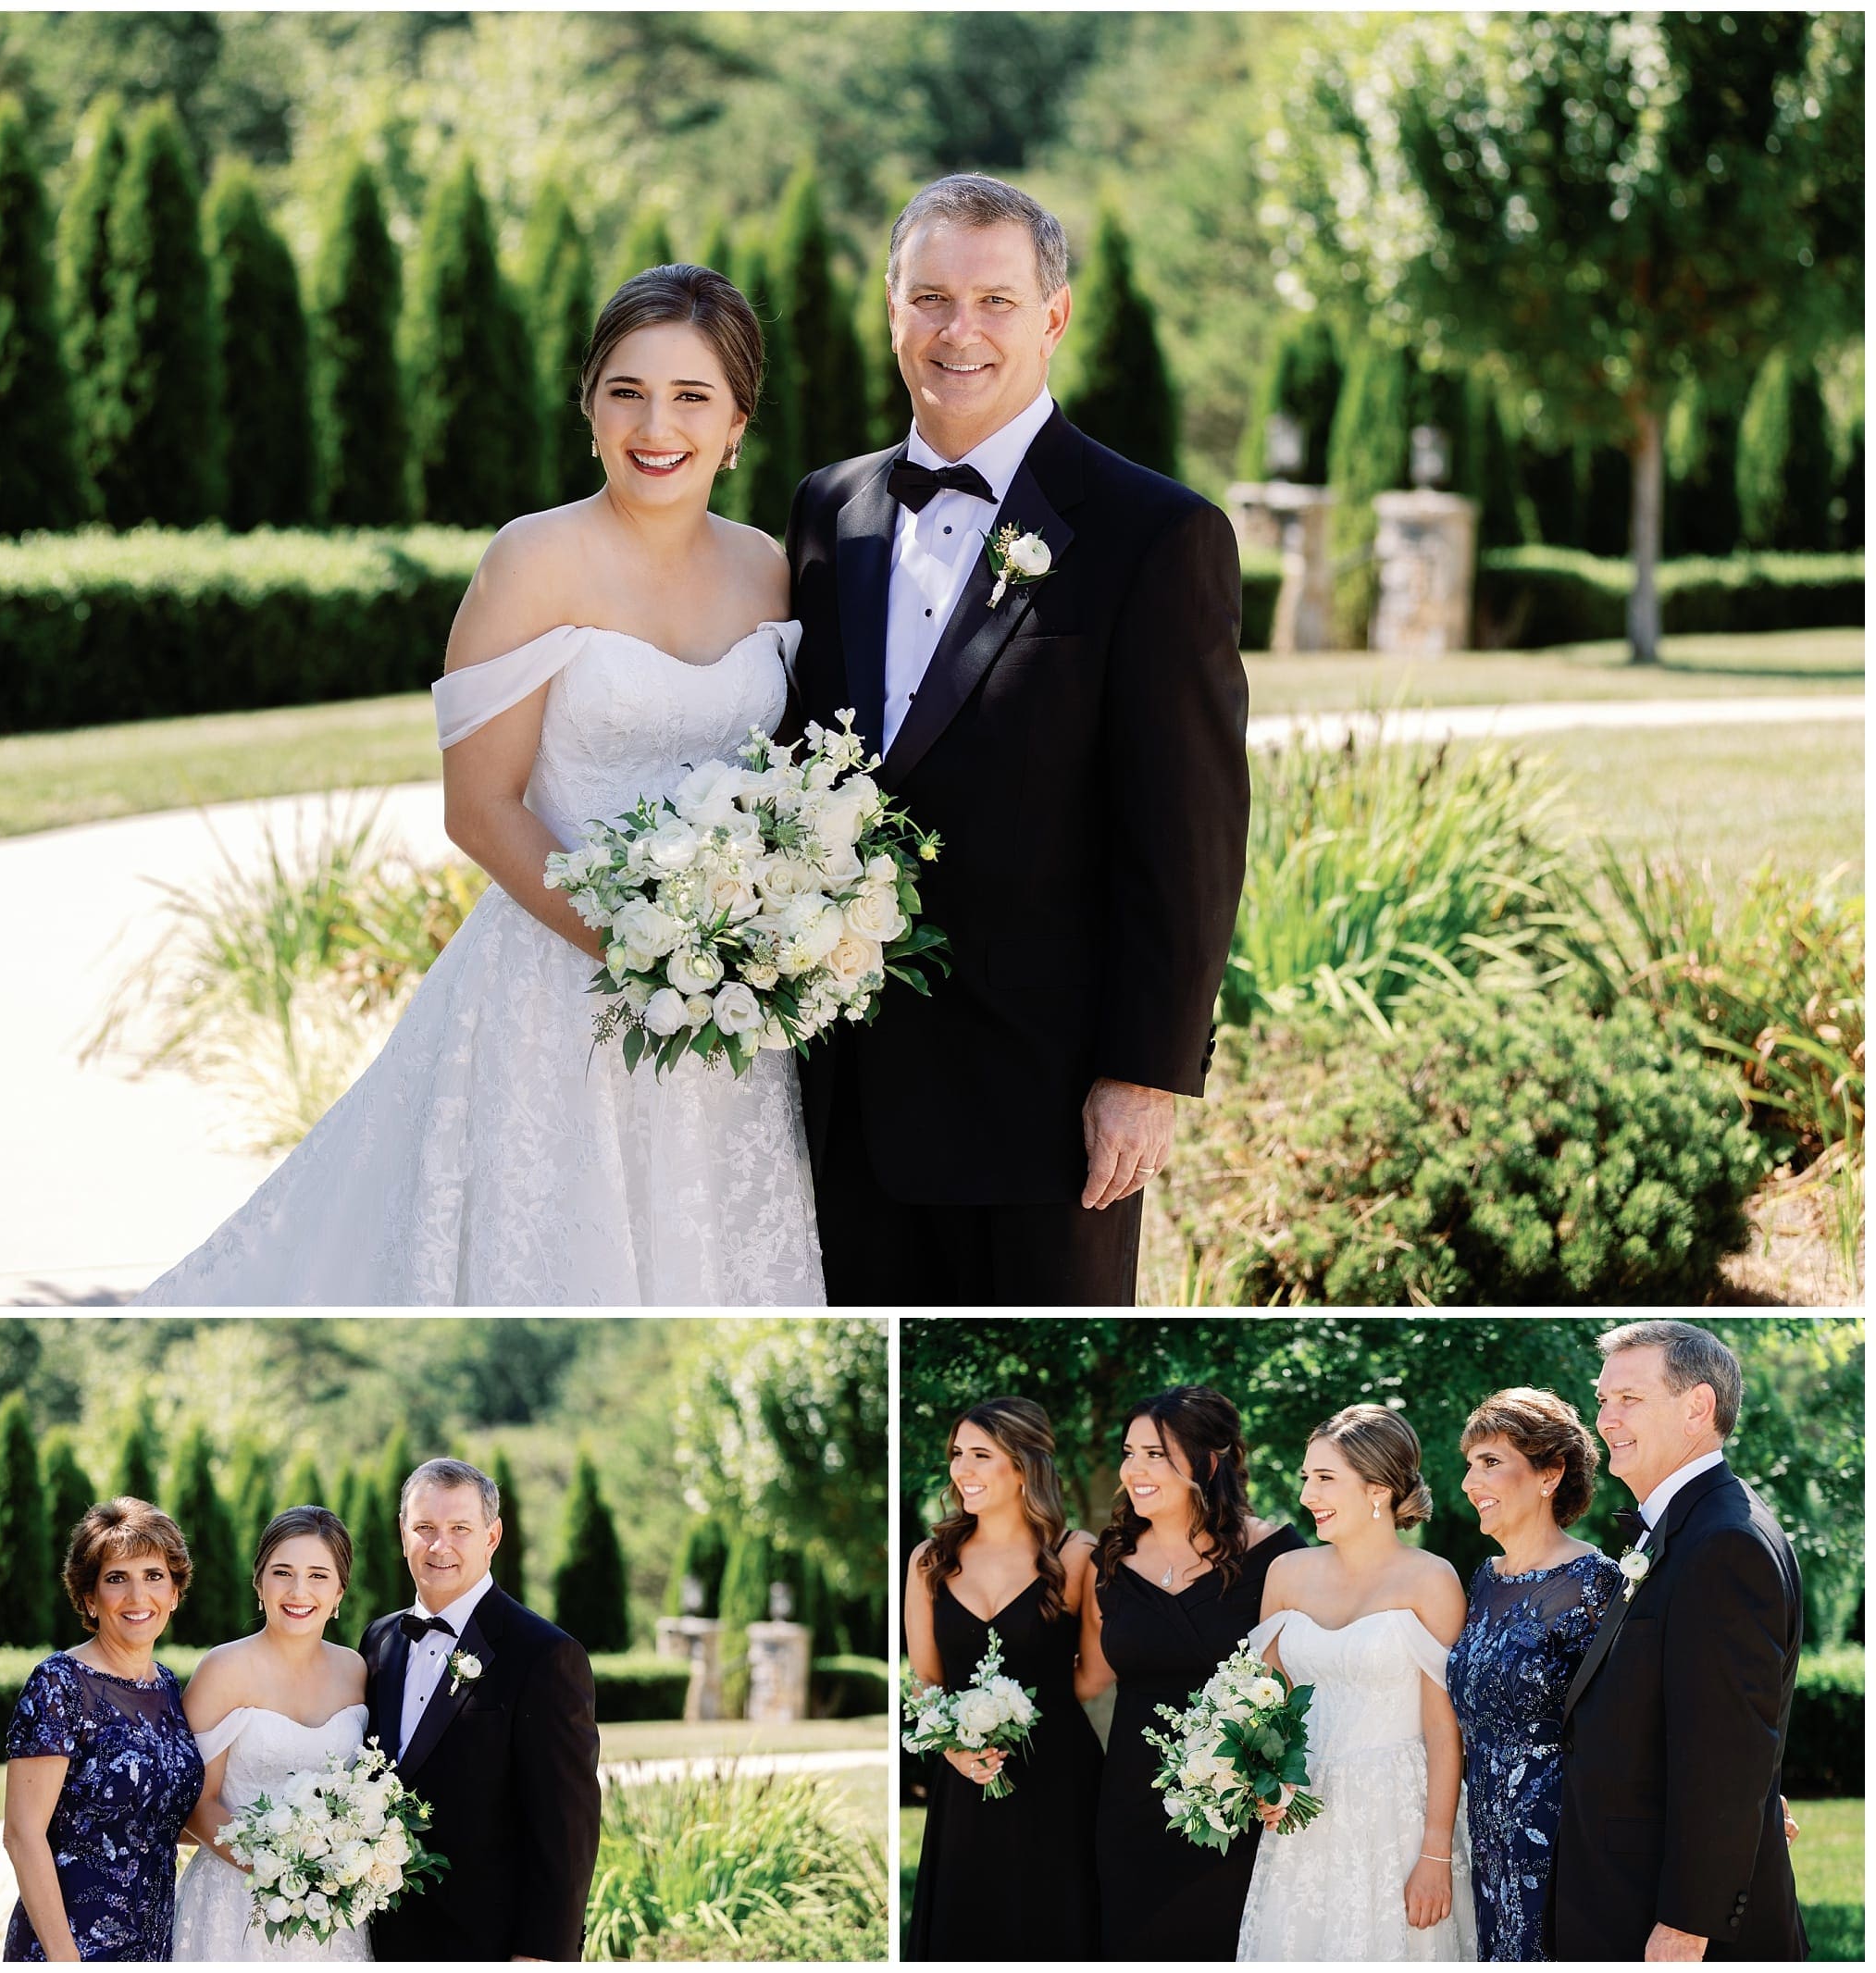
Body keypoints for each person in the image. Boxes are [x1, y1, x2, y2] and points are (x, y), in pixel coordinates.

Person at [139, 264, 823, 1306]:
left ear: (738, 421)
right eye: (627, 391)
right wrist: (649, 958)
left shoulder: (769, 568)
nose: (656, 425)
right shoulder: (532, 560)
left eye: (692, 396)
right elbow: (480, 806)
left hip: (730, 1020)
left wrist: (742, 958)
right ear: (589, 404)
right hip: (558, 988)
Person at [788, 173, 1250, 1304]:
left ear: (1054, 316)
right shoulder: (826, 510)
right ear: (890, 311)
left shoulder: (1158, 534)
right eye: (931, 296)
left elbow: (1188, 836)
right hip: (837, 1095)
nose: (961, 331)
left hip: (1042, 1114)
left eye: (996, 301)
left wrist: (1143, 1074)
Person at [1549, 1322, 1807, 1962]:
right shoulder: (1685, 1526)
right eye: (1603, 1400)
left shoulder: (1724, 1543)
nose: (1606, 1420)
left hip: (1671, 1931)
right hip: (1619, 1897)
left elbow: (1726, 1755)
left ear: (1698, 1408)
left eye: (1629, 1400)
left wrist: (1687, 1925)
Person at [1236, 1405, 1475, 1961]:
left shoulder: (1432, 1579)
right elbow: (1263, 1704)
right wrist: (1267, 1780)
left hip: (1396, 1817)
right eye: (1306, 1479)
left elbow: (1445, 1730)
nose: (1306, 1496)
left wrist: (1436, 1852)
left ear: (1378, 1489)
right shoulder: (1286, 1573)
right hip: (1303, 1814)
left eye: (1324, 1479)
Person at [1075, 1386, 1303, 1958]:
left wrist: (1285, 1772)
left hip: (1238, 1804)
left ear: (1207, 1461)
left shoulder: (1277, 1554)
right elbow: (1088, 1676)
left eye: (1155, 1454)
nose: (1134, 1470)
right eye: (1129, 1453)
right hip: (1130, 1806)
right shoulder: (1110, 1561)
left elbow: (1304, 1680)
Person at [360, 1458, 600, 1961]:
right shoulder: (378, 1641)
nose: (439, 1545)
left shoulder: (545, 1655)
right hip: (378, 1942)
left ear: (492, 1537)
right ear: (403, 1534)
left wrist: (540, 1954)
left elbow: (567, 1830)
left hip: (489, 1946)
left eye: (459, 1529)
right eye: (424, 1527)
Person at [903, 1396, 1101, 1959]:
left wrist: (1038, 1718)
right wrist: (956, 1751)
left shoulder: (1074, 1555)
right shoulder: (929, 1560)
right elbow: (925, 1681)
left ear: (1022, 1467)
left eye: (981, 1455)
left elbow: (1092, 1673)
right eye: (957, 1454)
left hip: (1059, 1781)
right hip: (966, 1781)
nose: (962, 1470)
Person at [1443, 1389, 1617, 1962]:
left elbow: (1634, 1716)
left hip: (1559, 1836)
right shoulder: (1483, 1579)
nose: (1471, 1483)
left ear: (1550, 1473)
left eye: (1491, 1463)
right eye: (1471, 1465)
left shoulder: (1596, 1583)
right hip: (1483, 1834)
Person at [2, 1498, 205, 1962]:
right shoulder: (59, 1684)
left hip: (154, 1944)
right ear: (89, 1598)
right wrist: (65, 1960)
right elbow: (22, 1834)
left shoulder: (169, 1687)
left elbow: (158, 1818)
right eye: (117, 1579)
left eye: (154, 1576)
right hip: (70, 1947)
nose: (138, 1598)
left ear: (175, 1591)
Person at [173, 1506, 372, 1960]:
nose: (299, 1591)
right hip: (234, 1901)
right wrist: (280, 1871)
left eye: (318, 1575)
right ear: (259, 1584)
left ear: (340, 1591)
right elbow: (196, 1805)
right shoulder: (223, 1669)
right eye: (283, 1572)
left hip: (333, 1912)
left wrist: (335, 1873)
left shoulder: (355, 1671)